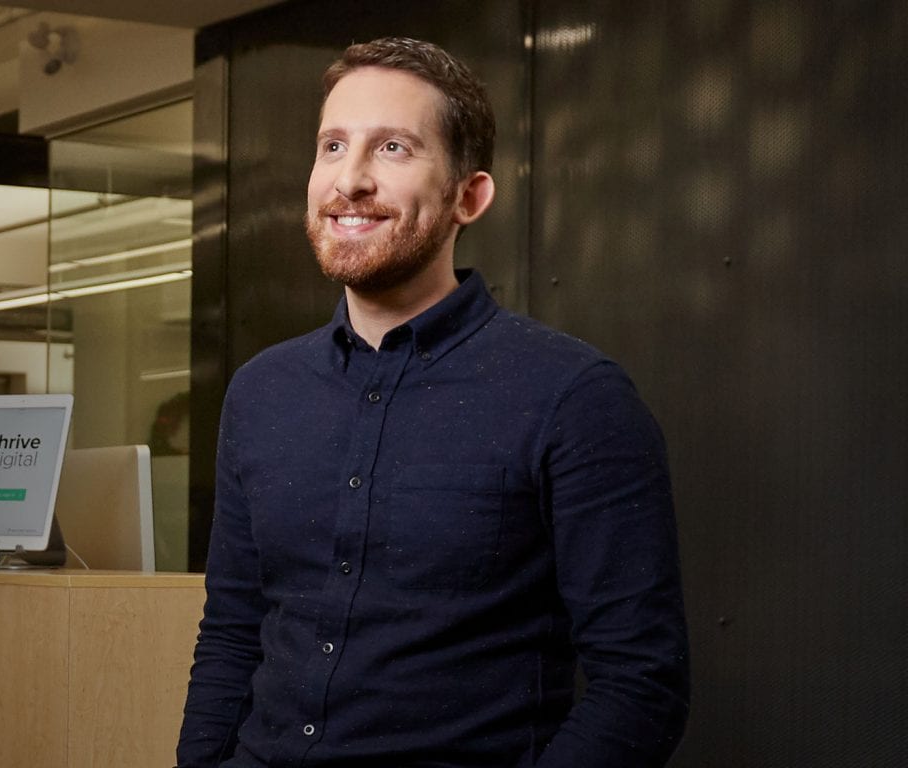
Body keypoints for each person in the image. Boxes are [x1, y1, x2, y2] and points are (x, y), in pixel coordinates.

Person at [177, 37, 689, 768]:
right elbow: (232, 630)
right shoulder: (261, 392)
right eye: (332, 146)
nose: (349, 180)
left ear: (469, 196)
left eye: (392, 148)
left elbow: (642, 687)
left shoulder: (573, 398)